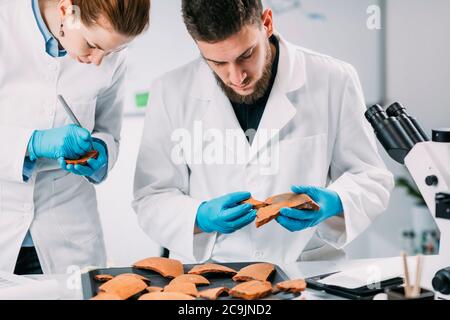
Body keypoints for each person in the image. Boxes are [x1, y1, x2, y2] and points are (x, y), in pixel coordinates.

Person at [133, 0, 394, 264]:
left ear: (267, 23)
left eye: (246, 55)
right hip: (211, 274)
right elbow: (151, 197)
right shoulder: (170, 92)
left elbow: (370, 177)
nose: (236, 77)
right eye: (217, 62)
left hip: (305, 269)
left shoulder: (333, 79)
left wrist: (335, 202)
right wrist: (199, 216)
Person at [0, 0, 150, 274]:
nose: (97, 60)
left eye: (112, 51)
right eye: (93, 45)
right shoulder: (5, 24)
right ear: (66, 11)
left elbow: (109, 132)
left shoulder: (109, 56)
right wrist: (33, 143)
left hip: (68, 237)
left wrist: (101, 154)